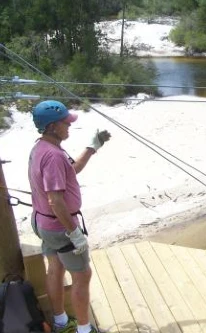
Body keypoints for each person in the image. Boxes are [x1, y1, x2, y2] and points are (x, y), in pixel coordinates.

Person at [28, 100, 111, 333]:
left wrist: (92, 147)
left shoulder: (41, 148)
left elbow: (71, 169)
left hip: (44, 223)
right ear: (53, 126)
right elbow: (56, 200)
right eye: (66, 123)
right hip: (60, 227)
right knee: (82, 275)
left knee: (55, 268)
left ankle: (61, 322)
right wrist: (75, 233)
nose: (69, 126)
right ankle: (84, 329)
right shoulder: (53, 156)